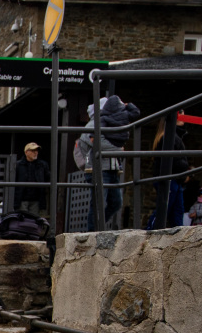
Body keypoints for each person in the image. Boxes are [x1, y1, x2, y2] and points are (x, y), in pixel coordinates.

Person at [76, 95, 140, 231]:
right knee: (98, 203)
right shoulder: (95, 122)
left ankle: (98, 227)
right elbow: (90, 141)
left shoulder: (109, 121)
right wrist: (118, 149)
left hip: (112, 168)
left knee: (116, 202)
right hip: (99, 168)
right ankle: (93, 232)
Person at [146, 110, 190, 229]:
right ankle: (149, 232)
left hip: (175, 179)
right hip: (169, 179)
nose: (184, 118)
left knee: (177, 213)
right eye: (181, 115)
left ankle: (179, 240)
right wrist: (186, 168)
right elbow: (174, 160)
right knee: (163, 210)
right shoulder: (168, 136)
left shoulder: (174, 136)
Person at [14, 142, 50, 216]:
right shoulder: (18, 165)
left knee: (33, 221)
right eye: (33, 151)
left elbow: (48, 178)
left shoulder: (42, 165)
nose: (36, 153)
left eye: (36, 151)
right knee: (22, 220)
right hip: (22, 199)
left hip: (36, 199)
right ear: (26, 152)